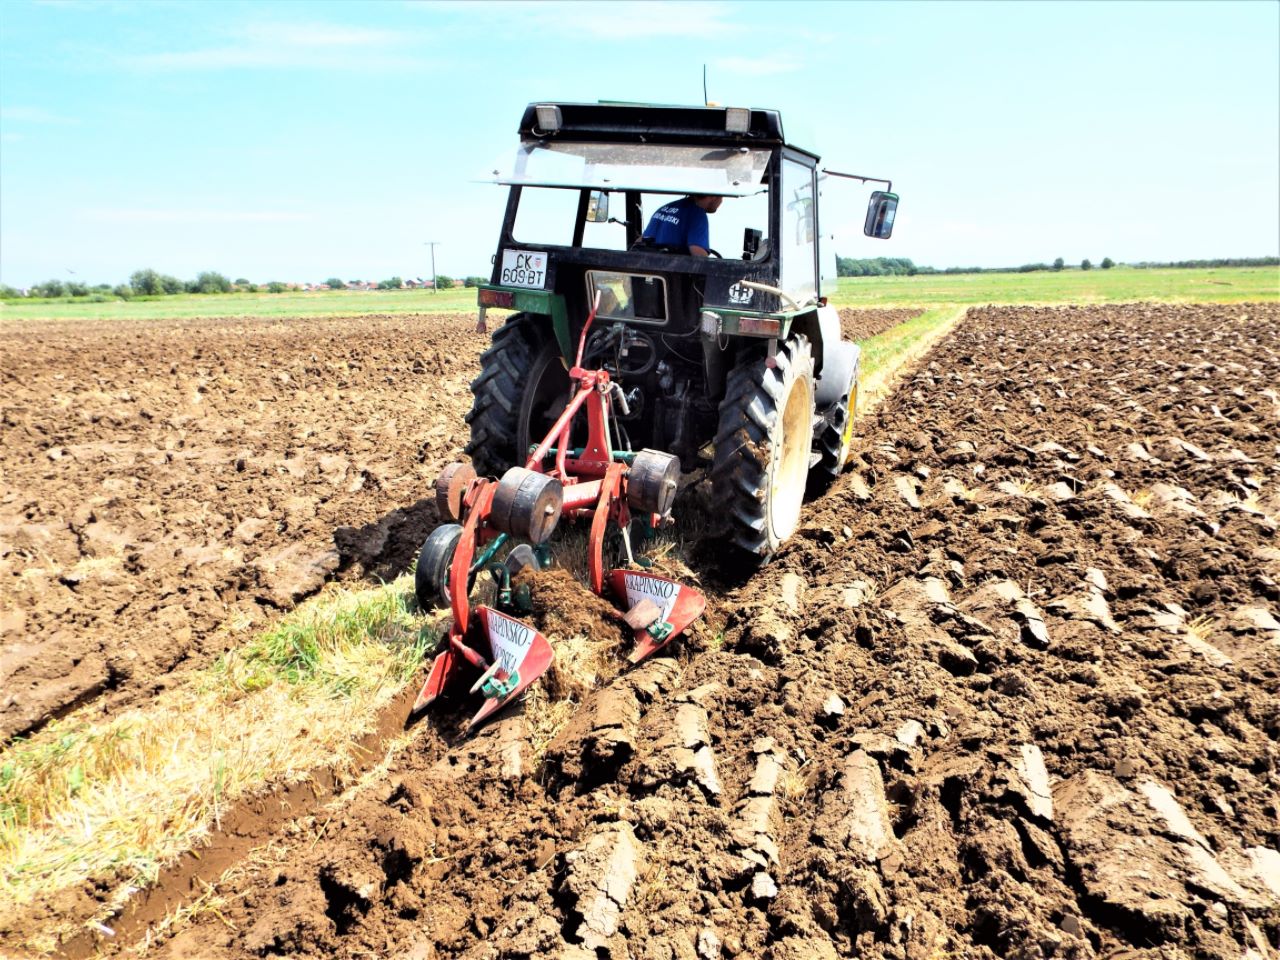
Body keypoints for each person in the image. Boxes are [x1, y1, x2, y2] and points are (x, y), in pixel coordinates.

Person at [640, 194, 723, 256]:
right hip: (673, 275)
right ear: (713, 196)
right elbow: (698, 254)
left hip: (652, 274)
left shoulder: (664, 209)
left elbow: (640, 242)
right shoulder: (697, 213)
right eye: (722, 197)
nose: (721, 201)